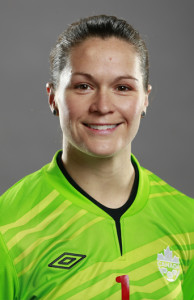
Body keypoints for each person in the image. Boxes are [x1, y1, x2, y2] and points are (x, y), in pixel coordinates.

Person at [0, 15, 193, 300]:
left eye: (123, 88)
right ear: (53, 97)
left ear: (145, 99)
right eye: (83, 86)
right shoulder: (8, 227)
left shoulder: (186, 219)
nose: (103, 106)